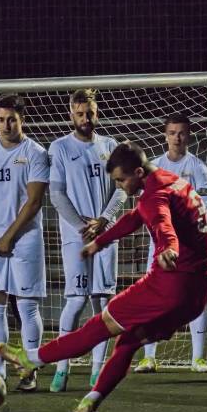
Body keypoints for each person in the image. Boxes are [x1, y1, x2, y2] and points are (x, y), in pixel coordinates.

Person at [0, 141, 207, 412]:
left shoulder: (153, 197)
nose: (121, 187)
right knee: (127, 341)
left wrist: (167, 249)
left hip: (170, 284)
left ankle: (32, 359)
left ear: (138, 172)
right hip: (197, 295)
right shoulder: (171, 181)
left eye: (121, 180)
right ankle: (89, 403)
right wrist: (100, 242)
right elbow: (135, 218)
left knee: (100, 326)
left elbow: (163, 225)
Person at [47, 89, 126, 392]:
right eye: (80, 114)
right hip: (76, 237)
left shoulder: (110, 146)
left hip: (105, 235)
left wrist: (104, 220)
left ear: (97, 112)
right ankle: (62, 369)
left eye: (90, 113)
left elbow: (121, 189)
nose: (85, 119)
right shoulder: (59, 148)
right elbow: (56, 193)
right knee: (76, 300)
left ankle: (96, 372)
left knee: (102, 303)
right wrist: (82, 225)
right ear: (71, 115)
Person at [0, 94, 49, 392]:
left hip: (25, 239)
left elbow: (34, 201)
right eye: (0, 119)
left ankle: (29, 369)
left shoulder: (36, 153)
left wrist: (8, 234)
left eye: (11, 119)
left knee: (27, 307)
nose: (5, 125)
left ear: (22, 120)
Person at [134, 113, 207, 374]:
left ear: (188, 135)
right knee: (153, 298)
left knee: (194, 299)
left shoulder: (199, 168)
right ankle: (148, 357)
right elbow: (143, 205)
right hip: (159, 247)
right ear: (165, 135)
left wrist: (185, 223)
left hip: (190, 247)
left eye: (181, 132)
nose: (177, 138)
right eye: (172, 133)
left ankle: (198, 358)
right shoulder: (154, 167)